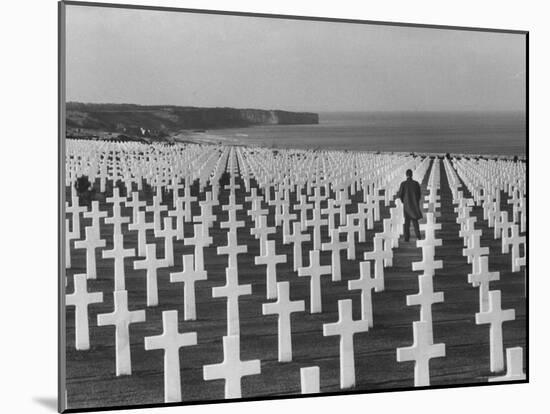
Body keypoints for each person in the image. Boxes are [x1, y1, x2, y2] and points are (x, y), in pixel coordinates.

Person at [397, 169, 423, 241]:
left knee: (407, 222)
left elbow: (400, 195)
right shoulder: (416, 183)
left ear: (406, 175)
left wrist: (404, 201)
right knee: (415, 222)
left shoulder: (403, 184)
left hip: (407, 205)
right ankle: (418, 236)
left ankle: (406, 238)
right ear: (412, 175)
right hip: (414, 205)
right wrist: (416, 201)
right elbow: (419, 195)